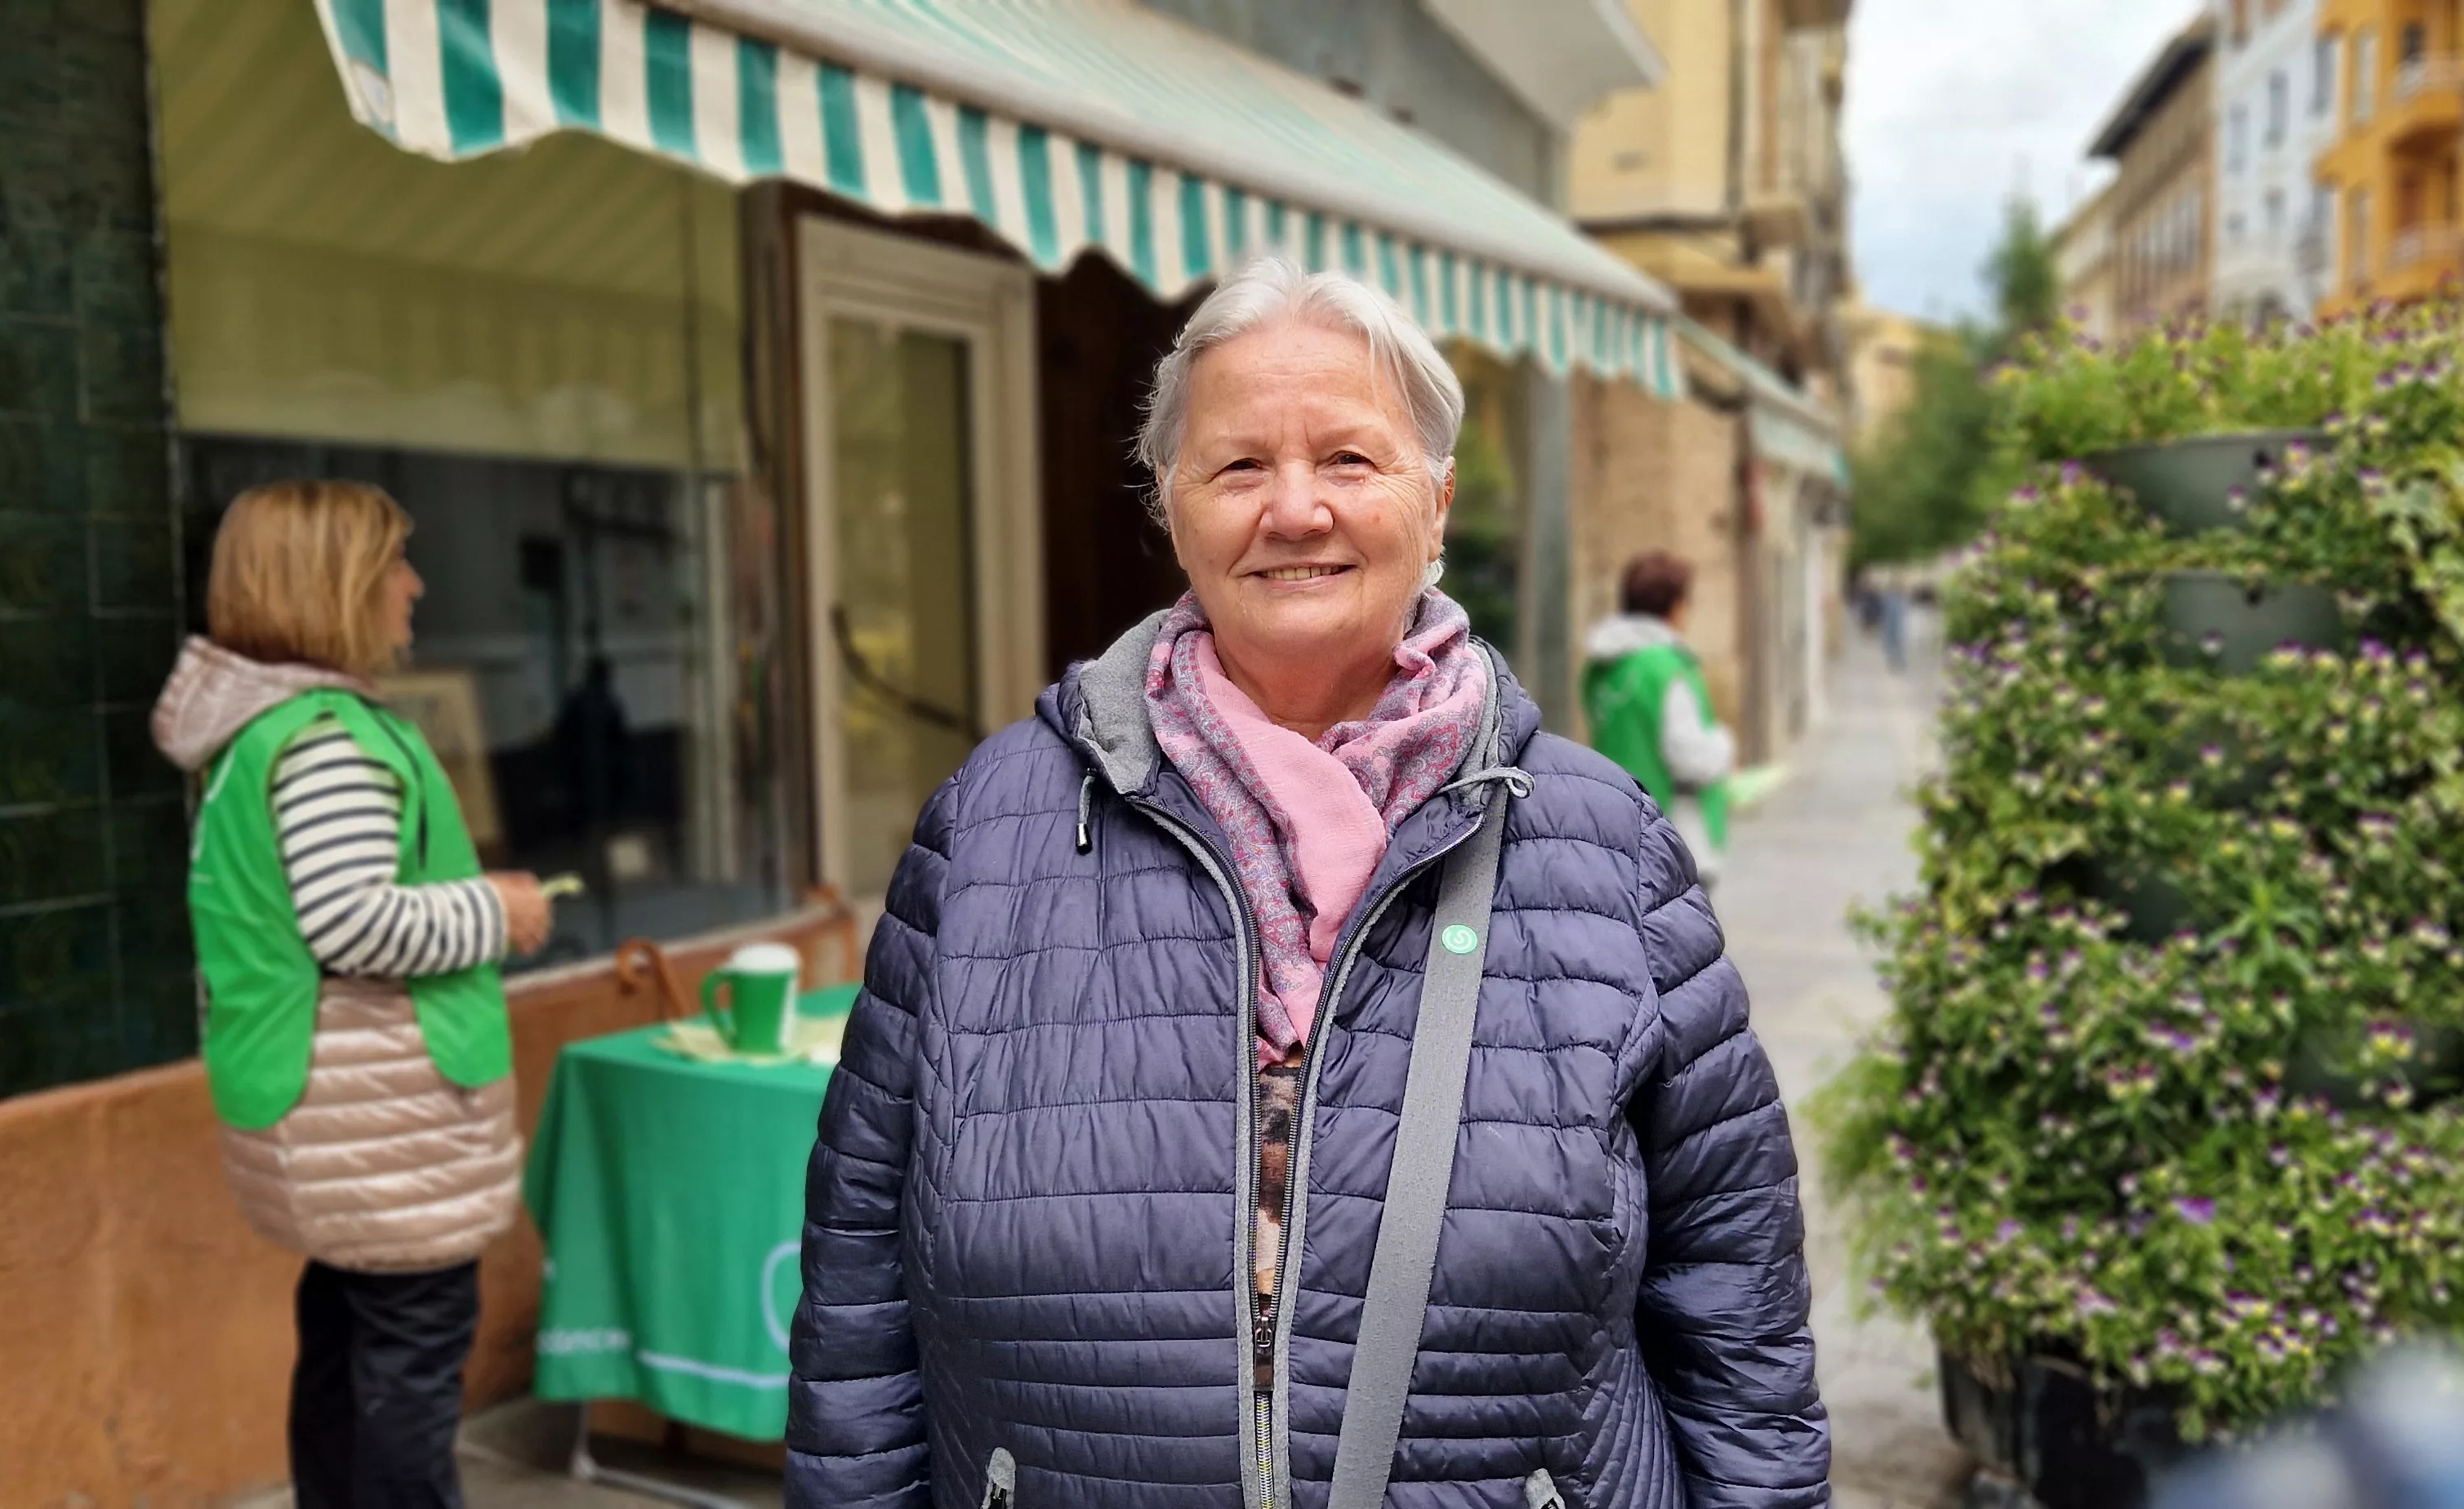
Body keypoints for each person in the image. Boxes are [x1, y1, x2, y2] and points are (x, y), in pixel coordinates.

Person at [786, 260, 1829, 1507]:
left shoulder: (1603, 842)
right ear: (1172, 505)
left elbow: (1738, 1300)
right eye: (1237, 467)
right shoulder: (992, 827)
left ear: (1433, 507)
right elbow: (860, 1292)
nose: (1294, 509)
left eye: (1348, 460)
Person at [154, 480, 555, 1509]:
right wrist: (496, 913)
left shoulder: (265, 735)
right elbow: (354, 922)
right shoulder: (328, 742)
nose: (414, 586)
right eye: (393, 566)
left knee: (346, 1351)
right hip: (380, 1124)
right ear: (334, 587)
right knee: (406, 1378)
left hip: (327, 1113)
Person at [1580, 552, 1736, 888]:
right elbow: (1691, 759)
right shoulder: (1667, 668)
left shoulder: (1601, 666)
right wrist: (1723, 744)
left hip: (1613, 826)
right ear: (1676, 606)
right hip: (1672, 834)